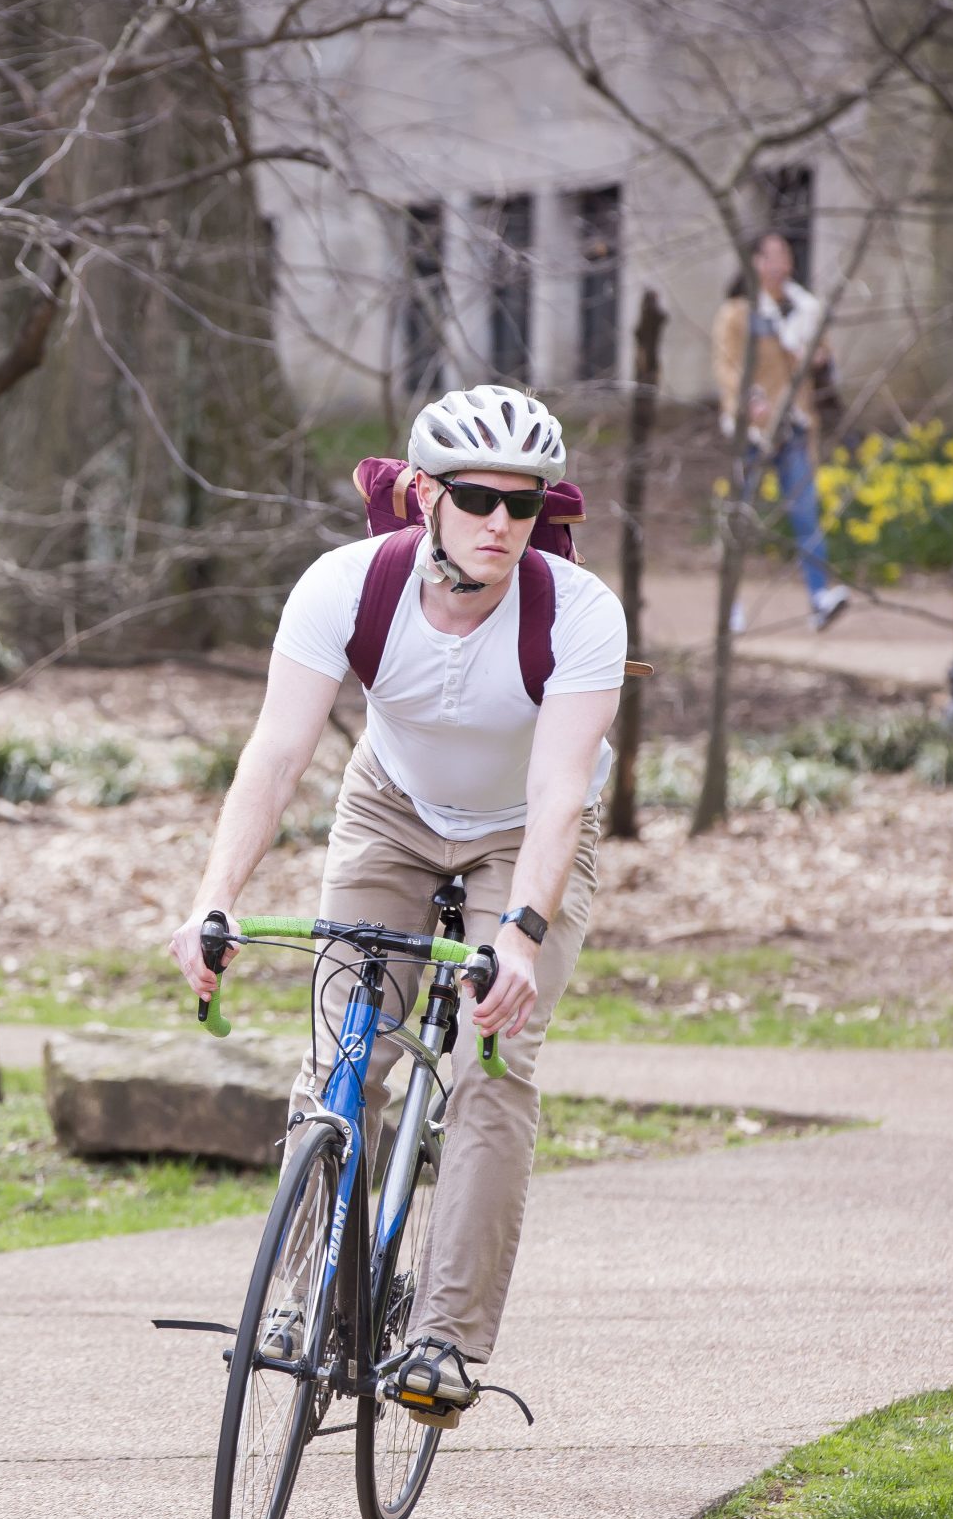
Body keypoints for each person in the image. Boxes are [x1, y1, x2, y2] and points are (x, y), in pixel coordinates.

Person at [166, 383, 626, 1414]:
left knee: (489, 1067)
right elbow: (277, 753)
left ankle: (444, 1345)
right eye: (476, 499)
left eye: (525, 503)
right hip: (392, 806)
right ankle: (300, 1300)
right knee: (340, 1055)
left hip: (524, 832)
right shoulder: (343, 587)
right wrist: (214, 899)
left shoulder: (580, 613)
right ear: (424, 494)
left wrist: (520, 933)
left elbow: (558, 793)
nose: (503, 524)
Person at [714, 231, 853, 631]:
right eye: (772, 256)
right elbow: (725, 366)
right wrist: (745, 403)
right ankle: (731, 604)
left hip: (794, 426)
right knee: (742, 515)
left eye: (786, 254)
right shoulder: (738, 313)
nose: (781, 263)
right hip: (754, 430)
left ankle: (820, 597)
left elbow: (825, 358)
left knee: (806, 511)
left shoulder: (805, 310)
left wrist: (818, 358)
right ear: (756, 262)